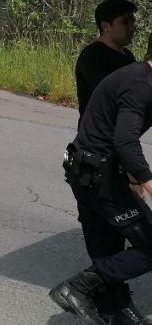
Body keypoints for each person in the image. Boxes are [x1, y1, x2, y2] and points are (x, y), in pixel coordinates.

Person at [50, 46, 152, 325]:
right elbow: (125, 141)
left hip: (94, 172)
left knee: (107, 246)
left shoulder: (141, 78)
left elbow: (110, 132)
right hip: (96, 175)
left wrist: (131, 175)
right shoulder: (139, 85)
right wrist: (146, 180)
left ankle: (116, 310)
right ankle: (77, 288)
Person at [75, 0, 137, 119]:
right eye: (125, 22)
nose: (132, 28)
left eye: (132, 22)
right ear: (106, 26)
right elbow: (107, 95)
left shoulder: (127, 56)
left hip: (123, 134)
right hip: (95, 135)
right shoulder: (92, 56)